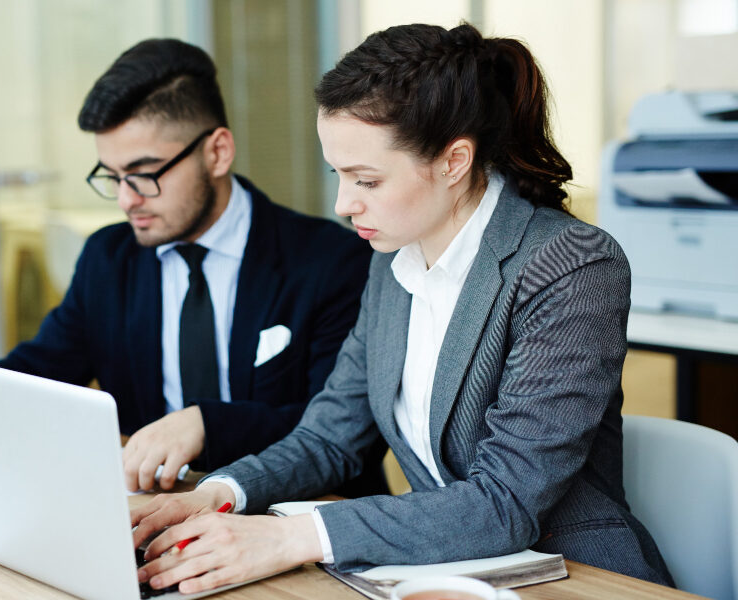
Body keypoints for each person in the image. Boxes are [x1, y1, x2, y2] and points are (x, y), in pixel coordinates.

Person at [129, 23, 674, 595]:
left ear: (453, 161)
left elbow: (505, 502)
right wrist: (218, 493)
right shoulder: (392, 257)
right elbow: (330, 436)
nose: (344, 203)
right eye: (337, 174)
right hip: (445, 571)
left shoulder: (569, 265)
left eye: (366, 179)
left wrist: (290, 537)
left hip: (580, 577)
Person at [0, 38, 387, 496]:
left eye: (144, 174)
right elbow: (43, 371)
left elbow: (343, 429)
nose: (126, 199)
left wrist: (204, 426)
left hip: (297, 513)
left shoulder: (331, 261)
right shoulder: (108, 257)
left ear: (217, 152)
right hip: (155, 508)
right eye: (113, 177)